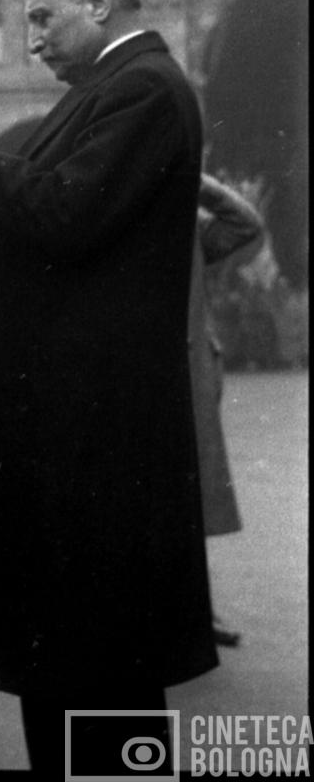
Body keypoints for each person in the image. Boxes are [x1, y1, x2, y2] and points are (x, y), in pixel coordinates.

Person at [0, 0, 218, 770]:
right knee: (70, 658)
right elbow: (40, 228)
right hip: (74, 428)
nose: (31, 39)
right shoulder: (114, 89)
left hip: (91, 433)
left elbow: (65, 213)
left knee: (95, 663)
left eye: (43, 16)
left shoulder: (144, 92)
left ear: (99, 4)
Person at [189, 171, 264, 648]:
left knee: (191, 492)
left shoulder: (192, 225)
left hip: (192, 368)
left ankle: (195, 611)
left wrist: (197, 182)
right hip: (135, 371)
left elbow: (247, 225)